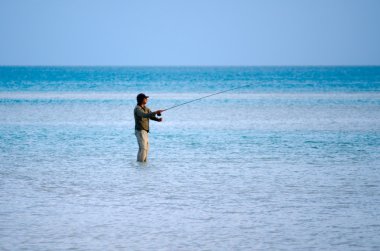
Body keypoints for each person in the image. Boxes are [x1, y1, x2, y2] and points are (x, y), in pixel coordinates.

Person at [134, 93, 164, 162]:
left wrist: (157, 119)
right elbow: (144, 115)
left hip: (145, 131)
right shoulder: (137, 109)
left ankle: (143, 165)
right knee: (143, 148)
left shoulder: (146, 108)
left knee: (146, 148)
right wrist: (156, 112)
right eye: (145, 98)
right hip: (140, 131)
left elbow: (150, 116)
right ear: (141, 100)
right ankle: (140, 165)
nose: (147, 99)